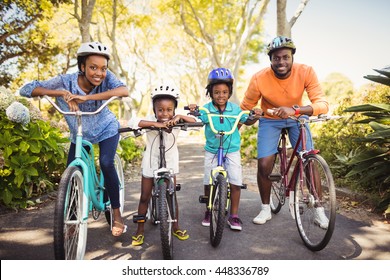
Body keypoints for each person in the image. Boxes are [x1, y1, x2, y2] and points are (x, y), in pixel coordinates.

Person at [20, 41, 129, 236]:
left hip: (106, 128)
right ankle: (71, 218)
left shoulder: (106, 78)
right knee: (71, 173)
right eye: (93, 67)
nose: (99, 73)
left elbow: (123, 91)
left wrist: (86, 98)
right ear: (82, 67)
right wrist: (59, 93)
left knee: (106, 163)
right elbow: (27, 89)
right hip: (79, 133)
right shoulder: (66, 81)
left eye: (103, 68)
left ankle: (117, 214)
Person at [240, 36, 329, 228]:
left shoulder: (306, 71)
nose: (281, 62)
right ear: (270, 59)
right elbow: (245, 108)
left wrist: (296, 110)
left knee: (308, 159)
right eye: (276, 58)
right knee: (264, 164)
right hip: (269, 120)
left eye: (285, 57)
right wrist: (237, 128)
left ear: (292, 57)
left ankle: (320, 211)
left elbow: (322, 104)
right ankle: (265, 208)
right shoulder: (259, 78)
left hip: (297, 118)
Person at [128, 85, 198, 246]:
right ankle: (139, 231)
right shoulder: (151, 120)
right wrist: (157, 125)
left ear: (174, 110)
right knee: (145, 196)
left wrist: (180, 117)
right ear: (154, 110)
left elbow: (197, 120)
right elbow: (133, 121)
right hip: (150, 164)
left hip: (170, 165)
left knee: (171, 195)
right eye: (160, 110)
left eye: (169, 110)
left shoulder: (176, 120)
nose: (165, 114)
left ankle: (176, 227)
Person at [193, 67, 262, 231]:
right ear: (210, 92)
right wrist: (195, 110)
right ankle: (209, 210)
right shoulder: (207, 108)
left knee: (236, 181)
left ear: (229, 92)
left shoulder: (235, 109)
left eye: (224, 92)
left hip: (231, 149)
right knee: (208, 180)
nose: (221, 95)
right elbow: (198, 117)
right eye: (217, 92)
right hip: (212, 149)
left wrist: (254, 115)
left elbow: (247, 119)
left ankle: (234, 215)